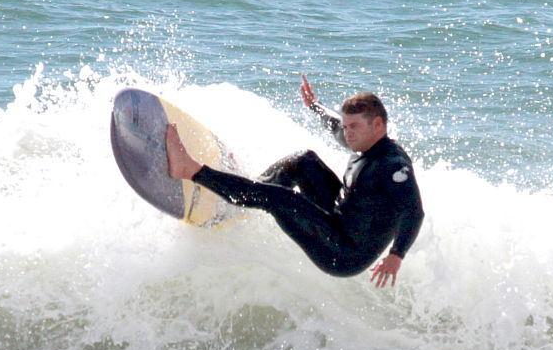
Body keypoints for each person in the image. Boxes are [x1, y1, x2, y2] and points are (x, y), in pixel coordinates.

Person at [165, 75, 424, 287]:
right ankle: (248, 189)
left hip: (343, 252)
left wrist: (396, 255)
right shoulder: (364, 140)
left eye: (354, 126)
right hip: (338, 216)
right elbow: (335, 126)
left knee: (282, 200)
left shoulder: (392, 165)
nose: (348, 133)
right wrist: (315, 106)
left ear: (378, 125)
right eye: (347, 127)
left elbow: (414, 212)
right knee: (304, 161)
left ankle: (190, 170)